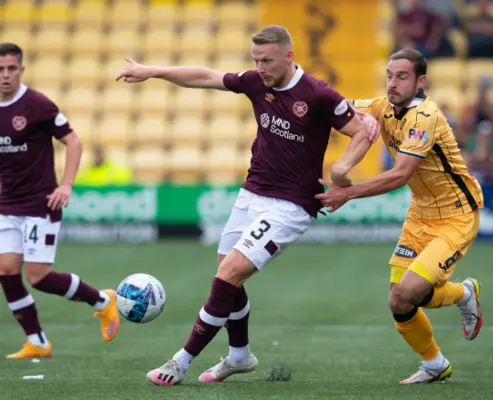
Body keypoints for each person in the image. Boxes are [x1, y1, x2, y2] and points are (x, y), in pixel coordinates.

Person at [116, 25, 378, 386]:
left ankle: (181, 361)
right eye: (256, 60)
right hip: (252, 193)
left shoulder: (316, 93)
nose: (261, 68)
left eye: (267, 60)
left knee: (227, 276)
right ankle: (240, 356)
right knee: (228, 274)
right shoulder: (256, 82)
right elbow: (206, 76)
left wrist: (341, 171)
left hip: (290, 206)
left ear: (289, 56)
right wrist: (154, 71)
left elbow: (362, 132)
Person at [316, 48, 484, 384]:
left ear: (421, 81)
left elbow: (400, 175)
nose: (392, 83)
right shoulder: (383, 107)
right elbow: (337, 106)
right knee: (398, 301)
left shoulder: (426, 117)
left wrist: (347, 192)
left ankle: (464, 294)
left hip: (456, 215)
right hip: (420, 214)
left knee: (411, 291)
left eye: (402, 76)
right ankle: (435, 364)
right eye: (389, 75)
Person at [0, 43, 120, 359]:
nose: (6, 75)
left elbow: (74, 142)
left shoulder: (37, 104)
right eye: (0, 69)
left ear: (21, 70)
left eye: (12, 68)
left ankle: (103, 302)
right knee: (6, 271)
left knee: (38, 277)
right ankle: (37, 342)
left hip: (41, 204)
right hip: (6, 205)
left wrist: (66, 185)